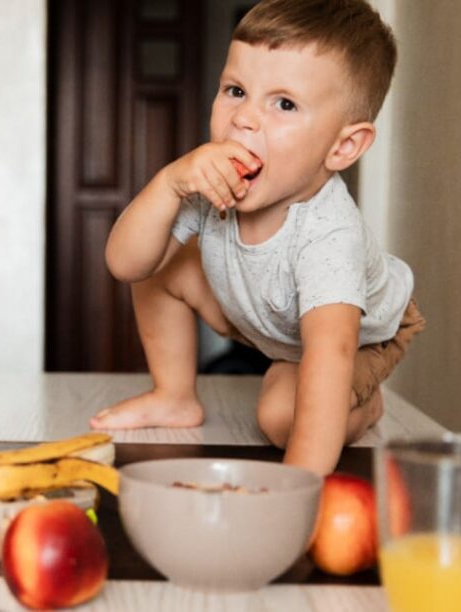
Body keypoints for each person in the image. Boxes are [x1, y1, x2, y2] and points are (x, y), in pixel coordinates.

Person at [89, 0, 424, 475]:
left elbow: (329, 356)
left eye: (283, 103)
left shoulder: (329, 236)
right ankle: (174, 396)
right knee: (159, 257)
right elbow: (126, 264)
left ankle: (365, 404)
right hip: (266, 309)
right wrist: (168, 184)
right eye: (236, 90)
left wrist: (292, 495)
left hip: (359, 338)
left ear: (342, 146)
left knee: (281, 416)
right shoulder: (210, 183)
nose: (245, 118)